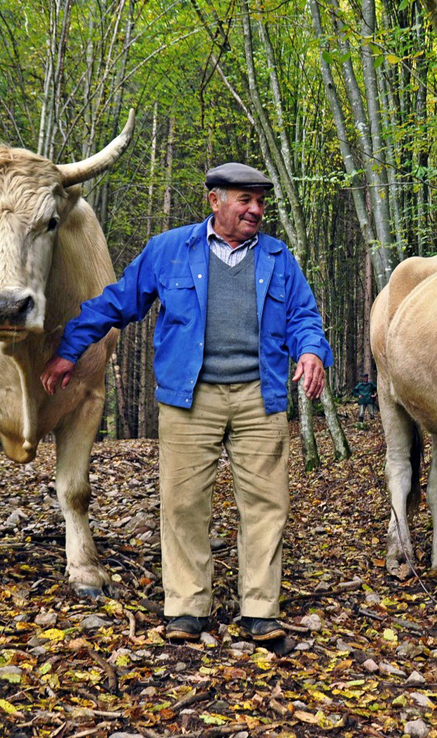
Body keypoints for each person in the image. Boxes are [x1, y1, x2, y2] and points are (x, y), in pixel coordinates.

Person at [41, 162, 332, 648]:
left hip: (260, 399)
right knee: (183, 505)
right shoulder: (170, 250)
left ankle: (260, 611)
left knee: (266, 505)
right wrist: (70, 350)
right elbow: (117, 302)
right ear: (215, 200)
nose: (256, 210)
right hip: (187, 400)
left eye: (261, 201)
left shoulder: (279, 259)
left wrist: (310, 351)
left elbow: (305, 316)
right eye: (246, 200)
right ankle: (186, 609)